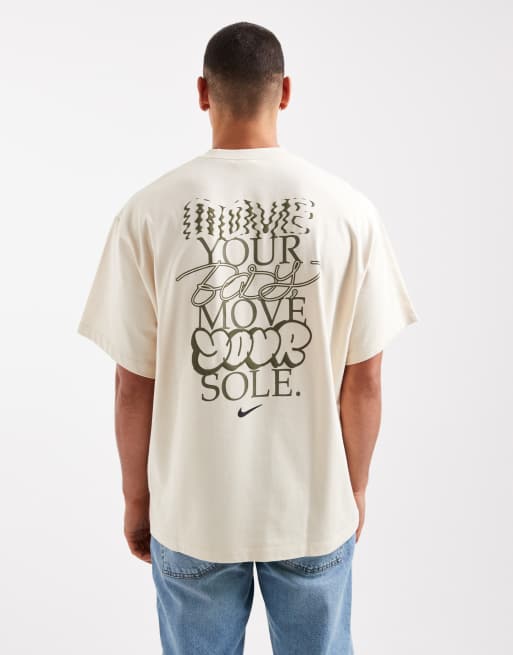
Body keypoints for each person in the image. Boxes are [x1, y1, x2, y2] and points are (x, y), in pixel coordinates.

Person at [77, 20, 419, 655]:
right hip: (312, 509)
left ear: (202, 92)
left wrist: (137, 499)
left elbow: (132, 385)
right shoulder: (349, 211)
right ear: (285, 91)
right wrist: (354, 489)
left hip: (193, 512)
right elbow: (365, 380)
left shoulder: (147, 212)